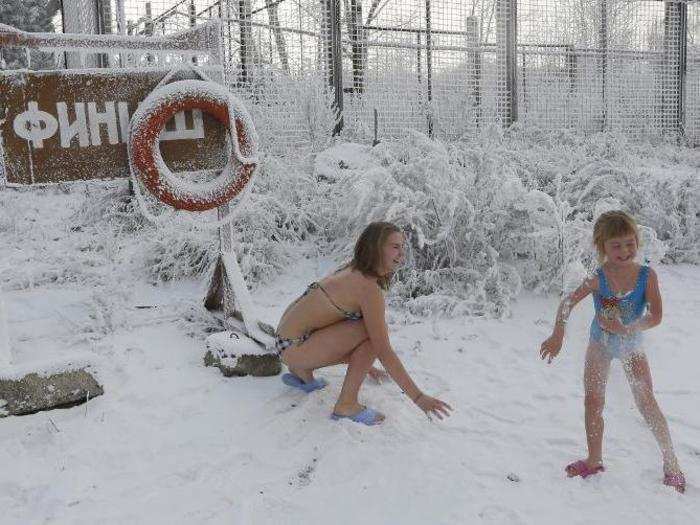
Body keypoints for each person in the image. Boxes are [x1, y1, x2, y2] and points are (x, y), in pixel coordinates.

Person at [539, 210, 685, 493]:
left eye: (629, 243)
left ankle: (672, 462)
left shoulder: (646, 275)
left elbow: (656, 316)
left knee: (646, 401)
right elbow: (568, 302)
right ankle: (594, 460)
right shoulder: (598, 277)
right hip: (600, 346)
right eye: (616, 245)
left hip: (631, 347)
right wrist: (558, 333)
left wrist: (628, 328)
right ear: (602, 247)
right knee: (593, 401)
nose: (624, 250)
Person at [275, 221, 453, 426]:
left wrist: (366, 366)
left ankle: (302, 373)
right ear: (375, 247)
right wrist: (419, 398)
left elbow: (334, 321)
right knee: (373, 335)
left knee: (368, 331)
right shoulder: (368, 288)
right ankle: (346, 404)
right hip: (294, 348)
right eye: (395, 247)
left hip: (286, 342)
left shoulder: (352, 269)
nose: (402, 254)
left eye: (403, 247)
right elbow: (383, 350)